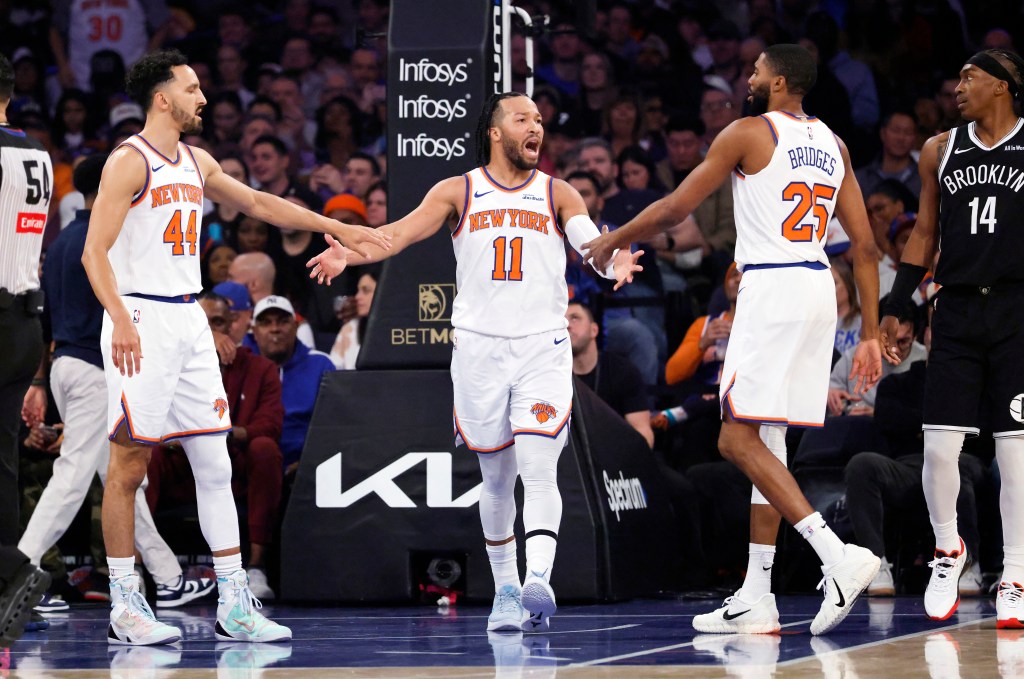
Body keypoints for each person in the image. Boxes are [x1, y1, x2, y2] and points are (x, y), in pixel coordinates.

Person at [80, 49, 388, 646]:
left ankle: (234, 599)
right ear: (162, 99)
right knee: (128, 467)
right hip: (139, 314)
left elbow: (258, 202)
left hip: (189, 316)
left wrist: (336, 225)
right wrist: (118, 317)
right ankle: (125, 604)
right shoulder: (128, 161)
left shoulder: (196, 161)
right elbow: (95, 252)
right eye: (192, 89)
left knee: (215, 460)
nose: (203, 98)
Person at [307, 91, 642, 633]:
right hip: (479, 348)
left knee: (538, 466)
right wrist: (353, 251)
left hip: (542, 346)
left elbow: (590, 246)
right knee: (495, 476)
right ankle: (506, 589)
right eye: (523, 118)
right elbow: (395, 236)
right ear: (494, 129)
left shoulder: (558, 193)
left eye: (539, 120)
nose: (536, 127)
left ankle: (540, 579)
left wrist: (613, 259)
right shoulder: (457, 190)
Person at [584, 44, 886, 636]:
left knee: (733, 439)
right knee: (767, 442)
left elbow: (676, 206)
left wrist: (612, 237)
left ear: (777, 80)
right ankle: (757, 595)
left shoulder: (750, 131)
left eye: (755, 70)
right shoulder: (834, 143)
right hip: (819, 286)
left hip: (770, 290)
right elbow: (868, 249)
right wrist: (870, 332)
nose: (747, 77)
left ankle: (837, 555)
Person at [19, 154, 216, 612]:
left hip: (65, 366)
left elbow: (45, 318)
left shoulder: (64, 240)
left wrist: (41, 379)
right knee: (73, 476)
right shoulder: (107, 237)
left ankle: (167, 578)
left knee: (121, 480)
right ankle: (18, 575)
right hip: (94, 370)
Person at [878, 49, 1024, 628]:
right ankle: (948, 550)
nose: (957, 85)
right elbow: (925, 234)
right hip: (957, 309)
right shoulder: (940, 149)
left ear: (1003, 85)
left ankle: (1015, 570)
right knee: (940, 446)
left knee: (1015, 450)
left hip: (1017, 308)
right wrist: (900, 303)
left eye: (969, 76)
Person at [147, 292, 284, 599]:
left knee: (265, 450)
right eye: (204, 322)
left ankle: (256, 567)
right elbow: (152, 419)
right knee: (143, 455)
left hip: (233, 464)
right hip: (180, 465)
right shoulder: (170, 364)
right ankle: (140, 571)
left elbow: (271, 424)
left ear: (235, 324)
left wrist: (223, 433)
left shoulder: (259, 368)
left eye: (219, 322)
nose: (213, 331)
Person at [0, 51, 52, 647]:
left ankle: (10, 570)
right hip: (25, 325)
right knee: (3, 465)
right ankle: (8, 577)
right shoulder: (36, 149)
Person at [565, 301, 653, 447]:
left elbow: (642, 431)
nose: (567, 325)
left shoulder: (622, 370)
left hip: (617, 455)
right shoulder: (551, 376)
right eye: (563, 320)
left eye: (575, 318)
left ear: (594, 330)